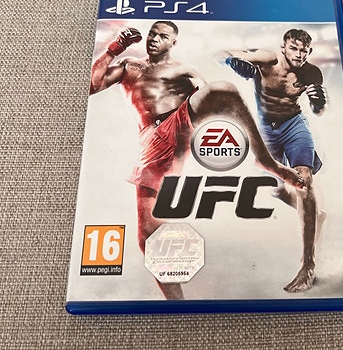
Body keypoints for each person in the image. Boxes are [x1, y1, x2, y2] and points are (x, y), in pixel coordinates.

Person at [90, 22, 304, 300]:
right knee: (148, 238)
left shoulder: (183, 70)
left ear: (173, 43)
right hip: (151, 143)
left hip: (179, 124)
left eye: (163, 36)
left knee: (223, 90)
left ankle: (268, 162)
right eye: (152, 34)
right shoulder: (129, 66)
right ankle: (176, 304)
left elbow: (212, 101)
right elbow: (92, 85)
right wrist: (115, 48)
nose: (154, 39)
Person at [217, 28, 327, 292]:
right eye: (294, 49)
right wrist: (233, 63)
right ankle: (313, 214)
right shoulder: (267, 59)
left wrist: (319, 103)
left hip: (294, 125)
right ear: (283, 47)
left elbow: (318, 110)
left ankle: (308, 265)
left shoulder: (311, 73)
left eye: (303, 51)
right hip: (265, 130)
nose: (298, 55)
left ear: (309, 52)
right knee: (274, 189)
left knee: (304, 181)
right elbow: (219, 54)